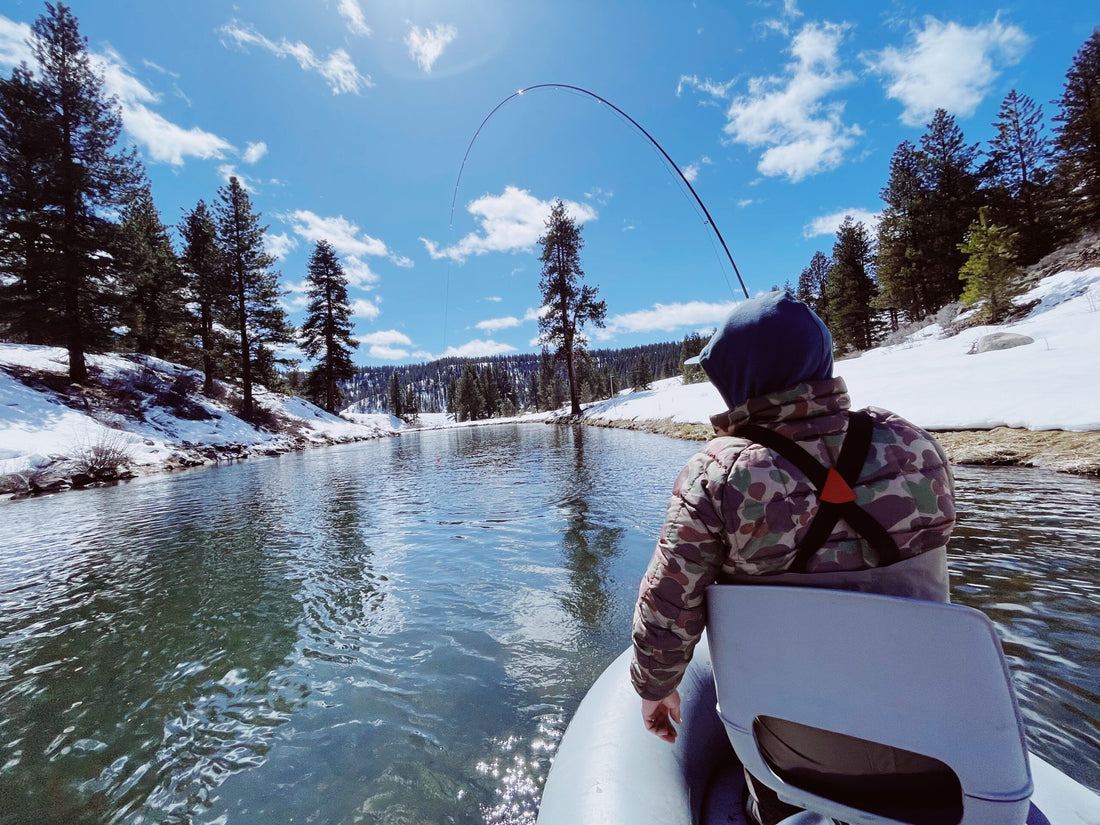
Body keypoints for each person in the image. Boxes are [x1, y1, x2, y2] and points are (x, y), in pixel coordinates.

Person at [630, 290, 957, 825]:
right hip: (938, 740)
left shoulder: (717, 476)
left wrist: (655, 688)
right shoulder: (912, 446)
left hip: (796, 754)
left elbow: (669, 605)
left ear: (736, 378)